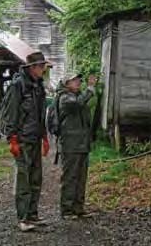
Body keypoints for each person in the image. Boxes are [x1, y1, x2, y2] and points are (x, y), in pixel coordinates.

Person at [0, 52, 50, 232]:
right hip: (22, 139)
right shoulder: (18, 85)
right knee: (24, 179)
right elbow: (11, 113)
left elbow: (40, 113)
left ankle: (32, 215)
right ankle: (22, 218)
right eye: (41, 66)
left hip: (35, 138)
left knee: (36, 178)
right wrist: (12, 138)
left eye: (43, 66)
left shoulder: (38, 85)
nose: (43, 70)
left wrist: (44, 137)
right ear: (33, 67)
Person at [57, 72, 97, 219]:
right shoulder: (65, 98)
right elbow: (78, 103)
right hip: (70, 145)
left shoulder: (77, 96)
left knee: (81, 177)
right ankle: (66, 210)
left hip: (82, 144)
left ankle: (78, 208)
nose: (79, 81)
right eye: (74, 80)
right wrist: (90, 88)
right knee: (70, 177)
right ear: (67, 83)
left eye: (78, 79)